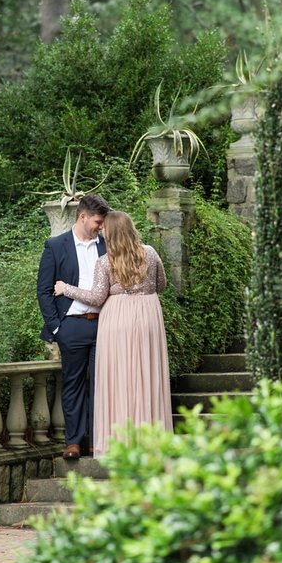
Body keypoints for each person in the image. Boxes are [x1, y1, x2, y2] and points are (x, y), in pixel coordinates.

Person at [54, 210, 173, 457]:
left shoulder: (105, 261)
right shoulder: (149, 253)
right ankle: (149, 440)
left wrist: (67, 289)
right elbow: (162, 285)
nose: (103, 232)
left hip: (117, 320)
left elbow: (98, 297)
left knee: (119, 379)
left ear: (114, 232)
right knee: (146, 375)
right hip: (148, 317)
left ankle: (119, 441)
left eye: (105, 229)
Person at [37, 193, 110, 460]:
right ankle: (74, 442)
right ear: (83, 217)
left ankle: (97, 440)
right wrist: (57, 328)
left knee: (102, 385)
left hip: (105, 325)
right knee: (73, 384)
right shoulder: (56, 246)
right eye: (97, 222)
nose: (100, 227)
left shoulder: (107, 245)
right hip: (72, 327)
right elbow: (44, 291)